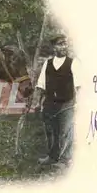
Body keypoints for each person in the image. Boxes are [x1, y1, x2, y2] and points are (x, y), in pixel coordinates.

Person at [33, 33, 81, 167]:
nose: (64, 46)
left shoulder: (73, 63)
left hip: (66, 103)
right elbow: (40, 84)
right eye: (60, 44)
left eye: (65, 43)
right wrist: (37, 102)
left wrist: (78, 103)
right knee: (51, 131)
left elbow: (79, 86)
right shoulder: (47, 64)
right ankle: (52, 157)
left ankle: (65, 159)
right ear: (54, 47)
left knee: (65, 131)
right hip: (49, 103)